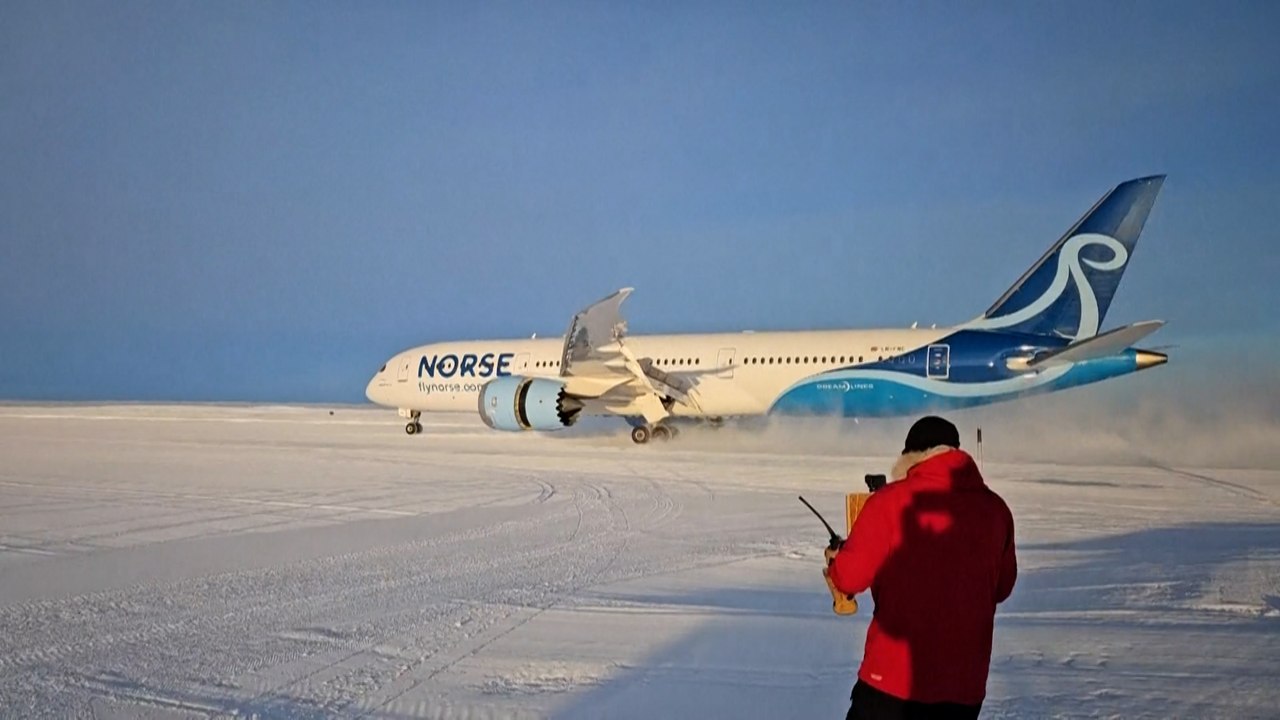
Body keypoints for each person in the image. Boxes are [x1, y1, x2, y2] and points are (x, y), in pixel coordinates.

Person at [826, 416, 1017, 719]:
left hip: (892, 683)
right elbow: (1002, 587)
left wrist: (838, 560)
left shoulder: (888, 503)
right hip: (964, 687)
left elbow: (849, 578)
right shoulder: (996, 510)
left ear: (909, 456)